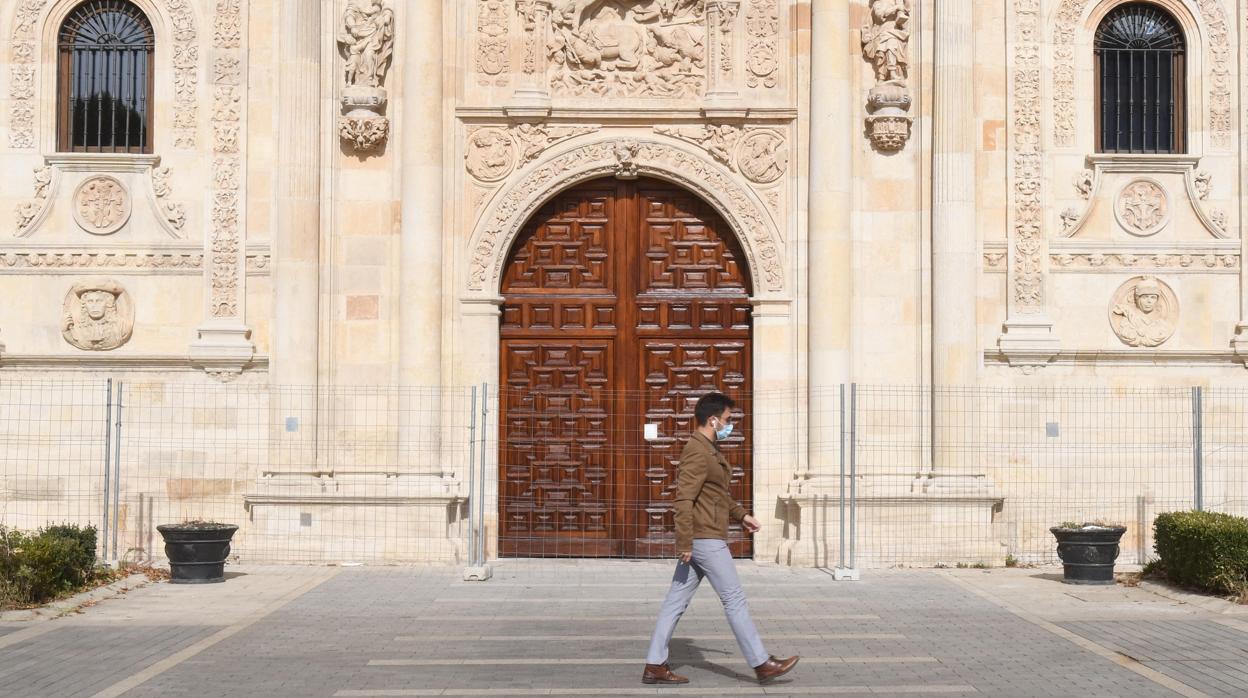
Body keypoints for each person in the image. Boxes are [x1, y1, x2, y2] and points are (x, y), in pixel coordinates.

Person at [642, 392, 799, 685]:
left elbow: (715, 495)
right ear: (713, 419)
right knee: (734, 599)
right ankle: (762, 663)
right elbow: (684, 499)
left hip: (702, 537)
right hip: (705, 539)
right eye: (727, 420)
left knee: (674, 602)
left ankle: (654, 665)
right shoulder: (698, 451)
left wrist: (741, 515)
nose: (730, 425)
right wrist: (685, 543)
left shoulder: (707, 449)